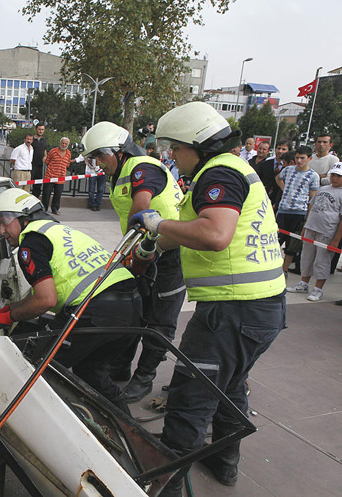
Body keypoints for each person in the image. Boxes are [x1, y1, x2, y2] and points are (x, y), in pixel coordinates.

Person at [130, 102, 285, 496]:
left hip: (232, 311)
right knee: (228, 388)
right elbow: (192, 228)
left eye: (175, 148)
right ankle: (224, 463)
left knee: (191, 396)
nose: (170, 156)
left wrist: (156, 221)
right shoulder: (234, 170)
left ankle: (166, 487)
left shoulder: (219, 173)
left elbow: (215, 235)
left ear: (197, 146)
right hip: (260, 308)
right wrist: (155, 243)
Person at [0, 188, 142, 412]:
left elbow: (45, 299)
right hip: (131, 305)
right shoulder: (57, 231)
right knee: (90, 370)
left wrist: (9, 315)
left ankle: (44, 429)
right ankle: (128, 431)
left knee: (42, 368)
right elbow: (40, 292)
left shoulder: (31, 242)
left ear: (24, 216)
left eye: (3, 221)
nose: (2, 230)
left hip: (97, 311)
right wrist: (14, 308)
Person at [81, 121, 186, 403]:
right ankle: (120, 365)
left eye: (100, 157)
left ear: (117, 151)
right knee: (134, 309)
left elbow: (142, 207)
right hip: (144, 250)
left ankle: (144, 378)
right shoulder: (124, 170)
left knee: (160, 319)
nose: (98, 164)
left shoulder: (142, 166)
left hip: (170, 252)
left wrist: (129, 247)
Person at [286, 162, 342, 301]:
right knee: (307, 257)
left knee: (322, 260)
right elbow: (312, 205)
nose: (334, 178)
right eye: (333, 175)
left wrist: (336, 239)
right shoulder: (324, 189)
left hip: (327, 230)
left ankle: (318, 288)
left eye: (338, 176)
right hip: (312, 227)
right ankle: (303, 283)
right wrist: (305, 226)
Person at [276, 145, 320, 275]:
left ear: (309, 158)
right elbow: (278, 178)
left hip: (299, 212)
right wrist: (285, 189)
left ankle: (284, 270)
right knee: (276, 239)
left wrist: (308, 218)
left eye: (302, 158)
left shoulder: (313, 176)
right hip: (283, 210)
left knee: (292, 245)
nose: (299, 161)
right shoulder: (288, 170)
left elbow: (313, 197)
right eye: (297, 158)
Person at [257, 138, 291, 210]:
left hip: (279, 202)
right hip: (262, 200)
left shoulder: (289, 168)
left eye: (283, 149)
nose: (280, 151)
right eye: (278, 148)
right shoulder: (264, 164)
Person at [42, 137, 71, 215]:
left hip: (61, 178)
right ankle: (44, 209)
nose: (64, 145)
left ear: (68, 145)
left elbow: (67, 164)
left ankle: (55, 209)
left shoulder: (68, 153)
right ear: (60, 143)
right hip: (49, 177)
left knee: (58, 194)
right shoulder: (53, 151)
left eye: (66, 143)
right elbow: (47, 161)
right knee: (46, 194)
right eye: (63, 143)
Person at [31, 124, 48, 198]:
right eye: (39, 129)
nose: (41, 131)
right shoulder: (31, 139)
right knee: (28, 183)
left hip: (40, 165)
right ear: (36, 129)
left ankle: (35, 199)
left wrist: (45, 156)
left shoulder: (44, 140)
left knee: (38, 185)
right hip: (31, 165)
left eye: (42, 129)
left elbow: (44, 150)